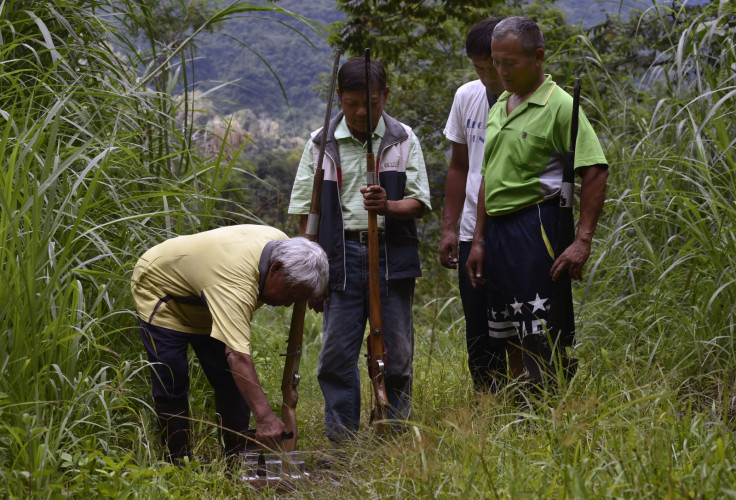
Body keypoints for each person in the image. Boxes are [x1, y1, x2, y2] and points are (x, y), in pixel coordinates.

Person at [288, 56, 431, 441]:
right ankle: (342, 441)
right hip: (340, 258)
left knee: (397, 354)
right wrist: (310, 271)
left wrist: (389, 206)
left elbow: (418, 201)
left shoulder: (403, 139)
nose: (360, 112)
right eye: (351, 104)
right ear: (339, 98)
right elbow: (306, 211)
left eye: (370, 103)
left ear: (386, 95)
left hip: (391, 257)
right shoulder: (321, 144)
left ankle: (394, 432)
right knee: (336, 356)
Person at [466, 17, 609, 384]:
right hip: (497, 233)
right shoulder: (502, 104)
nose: (501, 71)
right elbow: (488, 176)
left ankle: (549, 409)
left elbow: (594, 169)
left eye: (509, 63)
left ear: (538, 57)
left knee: (540, 327)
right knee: (509, 329)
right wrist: (479, 239)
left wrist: (582, 240)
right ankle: (522, 408)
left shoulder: (560, 106)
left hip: (537, 228)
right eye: (496, 62)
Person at [131, 224, 329, 463]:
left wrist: (312, 291)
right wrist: (265, 418)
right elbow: (238, 357)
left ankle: (234, 462)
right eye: (290, 294)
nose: (289, 304)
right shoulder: (235, 284)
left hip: (207, 295)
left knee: (230, 381)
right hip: (162, 292)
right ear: (276, 269)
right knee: (172, 378)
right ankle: (177, 464)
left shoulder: (283, 246)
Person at [440, 17, 520, 395]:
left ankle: (529, 396)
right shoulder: (466, 96)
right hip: (473, 229)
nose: (488, 76)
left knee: (521, 315)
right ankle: (487, 396)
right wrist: (449, 227)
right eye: (480, 68)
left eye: (493, 66)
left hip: (517, 228)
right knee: (478, 321)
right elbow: (459, 166)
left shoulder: (527, 100)